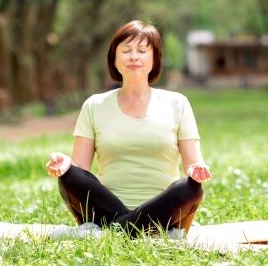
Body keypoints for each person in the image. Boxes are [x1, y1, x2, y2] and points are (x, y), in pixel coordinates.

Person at [46, 20, 211, 239]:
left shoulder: (177, 103)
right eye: (126, 51)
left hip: (165, 210)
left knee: (190, 188)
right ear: (114, 59)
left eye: (142, 51)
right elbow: (81, 171)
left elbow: (193, 164)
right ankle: (153, 235)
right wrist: (65, 165)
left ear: (155, 59)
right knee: (68, 176)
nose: (134, 56)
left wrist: (196, 170)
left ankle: (102, 234)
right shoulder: (94, 105)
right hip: (104, 208)